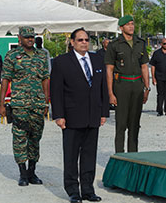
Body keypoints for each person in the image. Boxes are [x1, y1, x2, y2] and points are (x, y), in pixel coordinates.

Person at [51, 28, 108, 203]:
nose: (84, 42)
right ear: (73, 42)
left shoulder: (97, 59)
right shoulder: (61, 62)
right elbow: (56, 91)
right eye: (80, 40)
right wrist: (58, 115)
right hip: (71, 117)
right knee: (71, 156)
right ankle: (73, 191)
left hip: (93, 116)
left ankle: (88, 190)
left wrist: (104, 112)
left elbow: (102, 88)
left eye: (86, 39)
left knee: (89, 155)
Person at [0, 26, 49, 187]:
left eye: (32, 37)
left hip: (37, 104)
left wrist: (46, 101)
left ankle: (32, 172)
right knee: (19, 138)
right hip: (19, 104)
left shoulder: (41, 55)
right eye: (27, 37)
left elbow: (45, 79)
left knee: (35, 137)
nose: (30, 39)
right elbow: (5, 80)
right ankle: (22, 173)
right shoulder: (12, 56)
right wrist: (1, 105)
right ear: (19, 38)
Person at [105, 15, 150, 153]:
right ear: (121, 28)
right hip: (121, 86)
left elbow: (144, 66)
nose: (131, 26)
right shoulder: (114, 45)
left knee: (134, 123)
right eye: (128, 24)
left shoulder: (140, 43)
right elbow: (109, 69)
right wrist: (111, 93)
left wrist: (147, 88)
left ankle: (133, 156)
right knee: (121, 124)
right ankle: (120, 156)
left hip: (137, 85)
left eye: (132, 24)